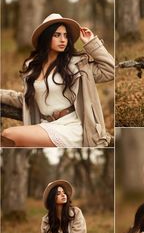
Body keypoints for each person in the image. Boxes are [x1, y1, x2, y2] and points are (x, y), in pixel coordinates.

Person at [1, 13, 114, 147]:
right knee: (8, 140)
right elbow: (25, 100)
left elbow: (110, 71)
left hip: (72, 126)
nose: (63, 40)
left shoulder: (76, 65)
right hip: (47, 124)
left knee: (8, 134)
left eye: (66, 35)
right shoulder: (32, 67)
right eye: (57, 35)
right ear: (46, 37)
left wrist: (91, 43)